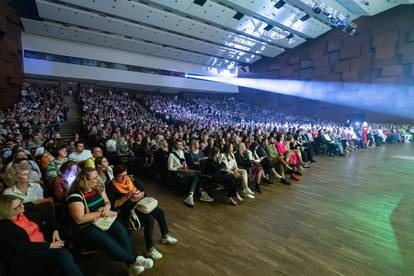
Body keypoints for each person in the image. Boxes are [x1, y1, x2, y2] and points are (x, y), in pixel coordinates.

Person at [66, 169, 152, 275]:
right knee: (106, 241)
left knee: (121, 230)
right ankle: (134, 260)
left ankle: (131, 265)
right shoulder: (75, 196)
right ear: (85, 180)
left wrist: (106, 208)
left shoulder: (97, 188)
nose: (98, 179)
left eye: (97, 176)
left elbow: (107, 202)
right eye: (95, 178)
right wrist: (102, 213)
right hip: (85, 227)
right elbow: (79, 219)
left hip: (102, 220)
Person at [106, 164, 177, 261]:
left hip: (141, 204)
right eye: (120, 176)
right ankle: (149, 249)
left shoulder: (131, 178)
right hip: (128, 210)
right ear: (115, 175)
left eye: (125, 175)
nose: (123, 178)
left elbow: (143, 190)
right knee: (149, 219)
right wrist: (127, 197)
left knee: (160, 212)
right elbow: (114, 205)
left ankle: (165, 235)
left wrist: (139, 194)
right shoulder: (110, 186)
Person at [0, 195, 84, 276]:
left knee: (58, 267)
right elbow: (19, 247)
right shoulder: (3, 226)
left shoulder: (28, 207)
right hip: (27, 256)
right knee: (61, 254)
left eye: (21, 202)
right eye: (18, 206)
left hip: (46, 245)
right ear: (8, 211)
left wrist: (55, 230)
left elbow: (50, 218)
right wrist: (49, 245)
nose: (22, 206)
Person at [167, 140, 200, 207]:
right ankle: (192, 195)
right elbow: (169, 168)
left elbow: (184, 162)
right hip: (178, 172)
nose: (179, 146)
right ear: (175, 145)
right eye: (177, 144)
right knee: (197, 175)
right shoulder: (171, 154)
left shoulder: (182, 152)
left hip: (184, 170)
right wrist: (180, 169)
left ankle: (191, 195)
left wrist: (185, 166)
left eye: (180, 145)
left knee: (198, 173)